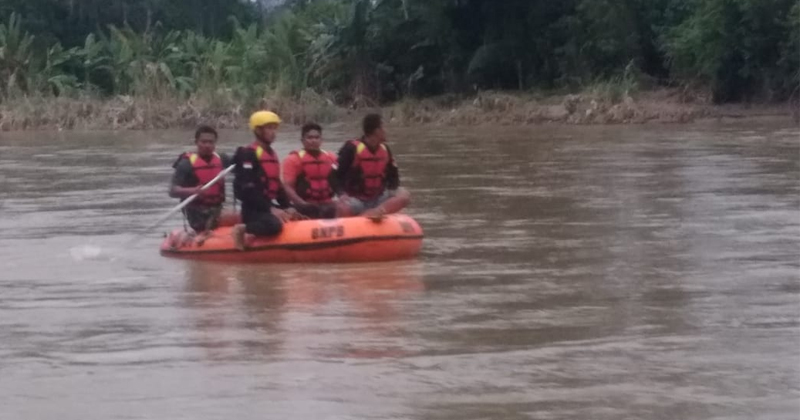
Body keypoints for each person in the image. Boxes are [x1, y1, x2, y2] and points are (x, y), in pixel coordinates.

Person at [230, 111, 298, 250]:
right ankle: (242, 229)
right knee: (274, 226)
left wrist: (287, 206)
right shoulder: (247, 153)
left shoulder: (271, 153)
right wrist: (270, 209)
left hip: (267, 205)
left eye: (274, 128)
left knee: (301, 211)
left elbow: (277, 185)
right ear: (258, 130)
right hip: (253, 210)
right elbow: (248, 190)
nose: (273, 132)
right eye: (269, 128)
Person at [337, 114, 411, 221]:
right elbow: (335, 175)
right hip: (356, 200)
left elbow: (393, 178)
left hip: (378, 199)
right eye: (384, 127)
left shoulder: (385, 149)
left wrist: (391, 195)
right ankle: (363, 219)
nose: (387, 131)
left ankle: (373, 213)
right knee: (341, 208)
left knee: (404, 195)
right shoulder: (351, 148)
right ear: (377, 131)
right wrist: (341, 194)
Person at [169, 125, 231, 236]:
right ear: (196, 142)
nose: (207, 145)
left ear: (215, 143)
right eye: (204, 142)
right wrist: (193, 191)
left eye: (211, 142)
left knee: (240, 218)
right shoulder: (186, 164)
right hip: (196, 212)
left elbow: (240, 166)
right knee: (209, 229)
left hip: (217, 208)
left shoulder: (222, 159)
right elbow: (173, 191)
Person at [282, 122, 343, 219]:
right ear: (302, 140)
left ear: (321, 140)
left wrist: (342, 197)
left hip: (328, 203)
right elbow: (288, 188)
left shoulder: (331, 158)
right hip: (305, 205)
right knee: (311, 210)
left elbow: (340, 182)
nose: (313, 141)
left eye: (316, 137)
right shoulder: (292, 160)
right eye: (309, 138)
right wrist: (303, 204)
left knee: (345, 207)